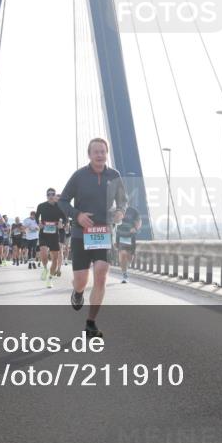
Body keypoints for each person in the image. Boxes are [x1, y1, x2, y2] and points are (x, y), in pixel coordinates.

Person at [57, 138, 127, 338]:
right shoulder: (79, 176)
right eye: (96, 151)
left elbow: (122, 200)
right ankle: (77, 292)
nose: (100, 155)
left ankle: (91, 323)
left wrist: (120, 211)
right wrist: (77, 215)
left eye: (103, 151)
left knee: (101, 273)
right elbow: (63, 200)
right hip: (81, 234)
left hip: (103, 233)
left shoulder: (114, 175)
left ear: (107, 154)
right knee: (81, 280)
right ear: (89, 154)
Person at [35, 188, 67, 287]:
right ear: (46, 195)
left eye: (52, 194)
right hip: (44, 233)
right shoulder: (41, 206)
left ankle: (50, 279)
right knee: (44, 255)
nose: (51, 196)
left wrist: (63, 223)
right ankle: (45, 268)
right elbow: (36, 216)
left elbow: (65, 218)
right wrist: (38, 223)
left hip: (54, 235)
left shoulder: (60, 207)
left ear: (54, 195)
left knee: (55, 259)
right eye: (48, 194)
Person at [115, 205, 142, 284]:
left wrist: (136, 228)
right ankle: (124, 274)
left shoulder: (133, 210)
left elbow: (139, 221)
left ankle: (126, 267)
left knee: (130, 257)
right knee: (123, 254)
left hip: (130, 237)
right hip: (120, 236)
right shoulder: (115, 209)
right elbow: (111, 222)